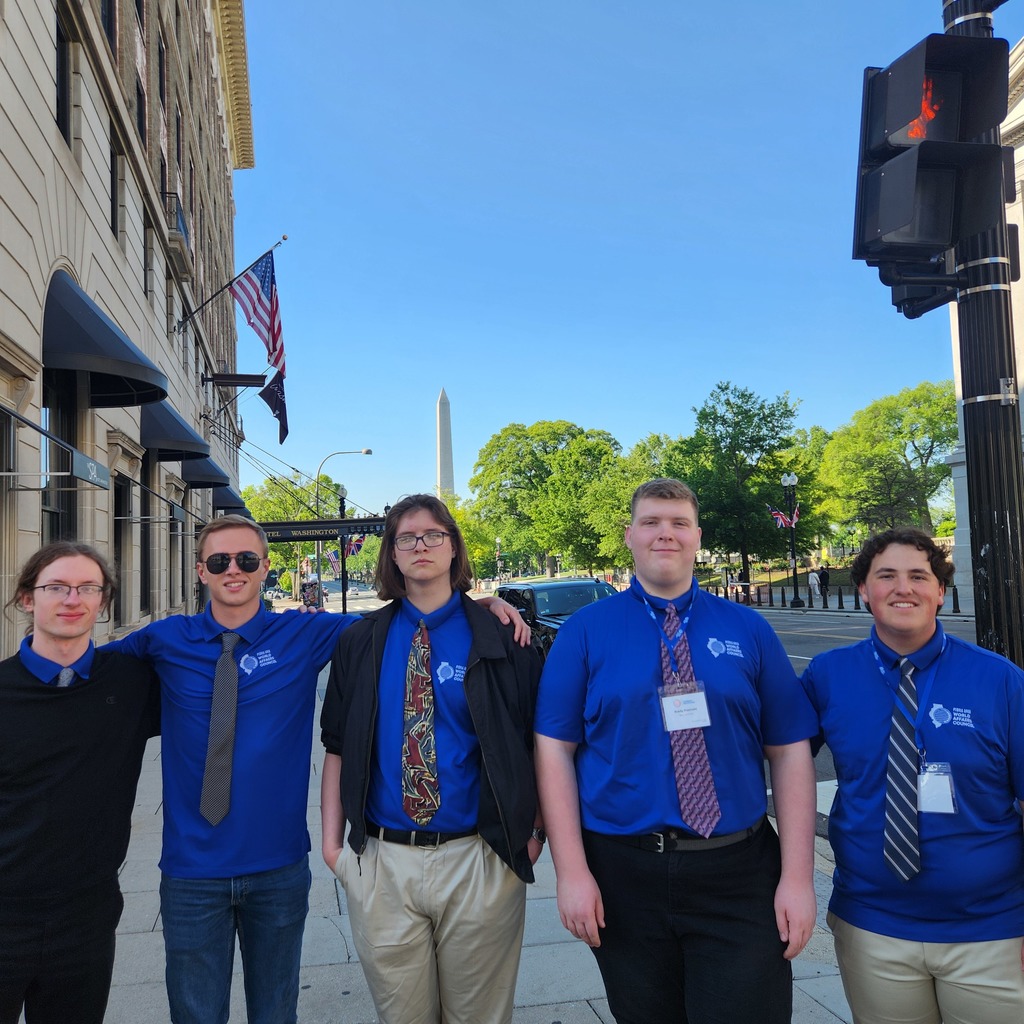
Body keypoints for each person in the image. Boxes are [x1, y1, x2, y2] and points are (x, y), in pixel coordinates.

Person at [112, 513, 528, 1024]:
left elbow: (405, 624)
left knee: (275, 1012)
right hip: (190, 872)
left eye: (246, 559)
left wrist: (479, 607)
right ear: (201, 571)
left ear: (266, 567)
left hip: (278, 868)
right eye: (219, 561)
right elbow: (87, 674)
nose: (233, 570)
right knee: (195, 1014)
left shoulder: (307, 632)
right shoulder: (161, 640)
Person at [534, 478, 817, 1024]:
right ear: (629, 536)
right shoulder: (585, 632)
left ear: (697, 537)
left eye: (679, 523)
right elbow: (553, 751)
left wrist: (797, 879)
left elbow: (789, 752)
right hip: (623, 871)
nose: (666, 533)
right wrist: (570, 873)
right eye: (651, 522)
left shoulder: (748, 629)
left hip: (736, 868)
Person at [320, 495, 543, 1024]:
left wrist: (533, 834)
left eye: (433, 535)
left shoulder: (502, 637)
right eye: (406, 538)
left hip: (480, 857)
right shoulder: (360, 641)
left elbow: (535, 744)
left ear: (453, 548)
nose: (420, 546)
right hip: (383, 861)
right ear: (392, 556)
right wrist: (334, 850)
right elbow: (335, 747)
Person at [801, 528, 1024, 1024]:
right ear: (863, 589)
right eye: (886, 575)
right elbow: (774, 759)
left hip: (992, 931)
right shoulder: (827, 675)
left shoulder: (999, 680)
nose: (904, 588)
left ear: (940, 591)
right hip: (873, 928)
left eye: (918, 576)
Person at [0, 543, 159, 1024]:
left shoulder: (132, 683)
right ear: (28, 599)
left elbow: (217, 691)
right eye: (56, 587)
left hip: (87, 913)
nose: (73, 599)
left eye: (88, 588)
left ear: (103, 601)